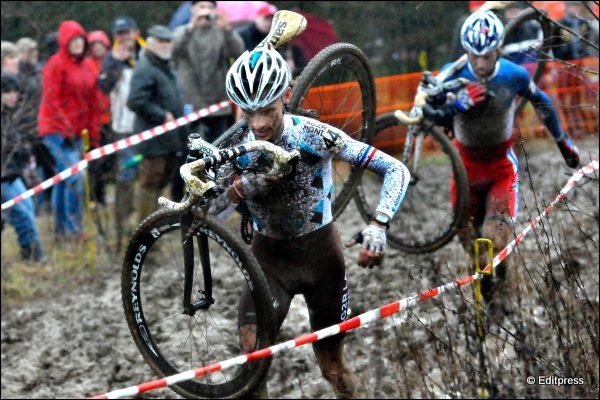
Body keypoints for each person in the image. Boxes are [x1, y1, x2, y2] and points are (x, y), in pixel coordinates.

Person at [207, 46, 410, 398]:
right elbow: (210, 214)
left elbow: (396, 169)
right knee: (252, 364)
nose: (259, 124)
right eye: (249, 113)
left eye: (268, 111)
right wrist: (240, 188)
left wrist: (379, 224)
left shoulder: (314, 135)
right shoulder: (236, 148)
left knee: (331, 366)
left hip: (323, 263)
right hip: (268, 264)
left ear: (286, 95)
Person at [422, 10, 581, 314]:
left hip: (499, 168)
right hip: (465, 167)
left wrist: (563, 144)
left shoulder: (513, 74)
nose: (480, 64)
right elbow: (428, 116)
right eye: (474, 56)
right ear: (465, 52)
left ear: (499, 49)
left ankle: (502, 283)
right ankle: (488, 289)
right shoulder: (452, 74)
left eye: (487, 56)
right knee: (473, 248)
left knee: (494, 239)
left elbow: (543, 101)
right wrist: (458, 103)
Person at [38, 20, 101, 241]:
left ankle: (60, 229)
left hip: (77, 131)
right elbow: (52, 100)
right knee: (75, 177)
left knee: (64, 179)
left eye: (80, 40)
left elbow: (93, 101)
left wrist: (94, 133)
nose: (77, 44)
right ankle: (73, 229)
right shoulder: (55, 64)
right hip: (55, 129)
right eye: (73, 40)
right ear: (65, 42)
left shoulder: (87, 66)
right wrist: (65, 128)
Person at [127, 25, 188, 221]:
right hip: (152, 139)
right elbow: (135, 101)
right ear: (151, 43)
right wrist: (161, 115)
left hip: (169, 138)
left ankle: (157, 226)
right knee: (150, 185)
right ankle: (145, 232)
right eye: (161, 41)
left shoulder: (166, 65)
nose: (166, 45)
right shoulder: (144, 68)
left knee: (161, 183)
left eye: (168, 41)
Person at [98, 16, 144, 249]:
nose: (124, 37)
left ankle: (140, 220)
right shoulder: (110, 60)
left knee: (144, 174)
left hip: (147, 126)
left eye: (128, 32)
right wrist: (117, 62)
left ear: (136, 32)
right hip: (123, 128)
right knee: (126, 174)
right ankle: (121, 226)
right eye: (119, 33)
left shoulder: (145, 53)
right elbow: (103, 87)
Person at [172, 0, 245, 143]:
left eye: (210, 7)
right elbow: (173, 53)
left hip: (218, 102)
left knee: (217, 144)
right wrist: (191, 27)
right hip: (191, 100)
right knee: (192, 146)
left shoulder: (221, 31)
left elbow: (238, 54)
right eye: (202, 7)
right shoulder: (182, 31)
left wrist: (228, 30)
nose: (206, 11)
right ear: (192, 9)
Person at [1, 72, 47, 263]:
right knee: (21, 214)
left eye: (15, 91)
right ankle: (35, 255)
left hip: (13, 173)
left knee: (26, 210)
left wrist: (26, 155)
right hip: (4, 175)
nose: (12, 96)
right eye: (7, 92)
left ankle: (30, 252)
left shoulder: (13, 115)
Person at [236, 3, 307, 78]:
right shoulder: (242, 35)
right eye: (266, 18)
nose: (269, 23)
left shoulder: (280, 39)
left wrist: (291, 66)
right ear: (257, 18)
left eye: (271, 20)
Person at [86, 30, 113, 206]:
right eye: (94, 45)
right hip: (94, 121)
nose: (97, 48)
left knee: (107, 161)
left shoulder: (111, 63)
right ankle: (94, 197)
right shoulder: (87, 65)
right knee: (94, 162)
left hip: (110, 119)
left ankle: (101, 194)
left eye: (100, 44)